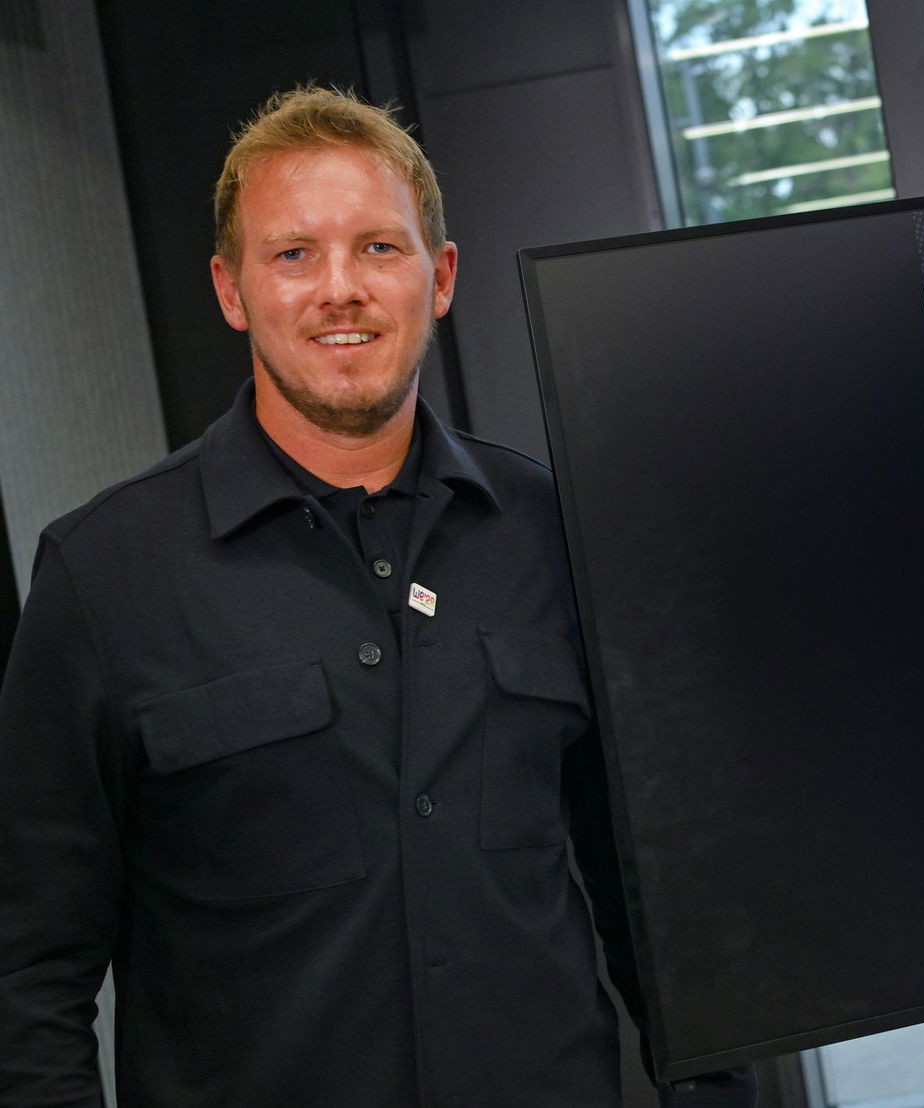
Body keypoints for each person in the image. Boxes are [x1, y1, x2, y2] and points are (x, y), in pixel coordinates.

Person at [0, 86, 752, 1107]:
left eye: (378, 249)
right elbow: (27, 969)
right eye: (293, 253)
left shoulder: (555, 532)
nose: (339, 288)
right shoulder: (105, 576)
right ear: (233, 290)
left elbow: (652, 886)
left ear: (438, 278)